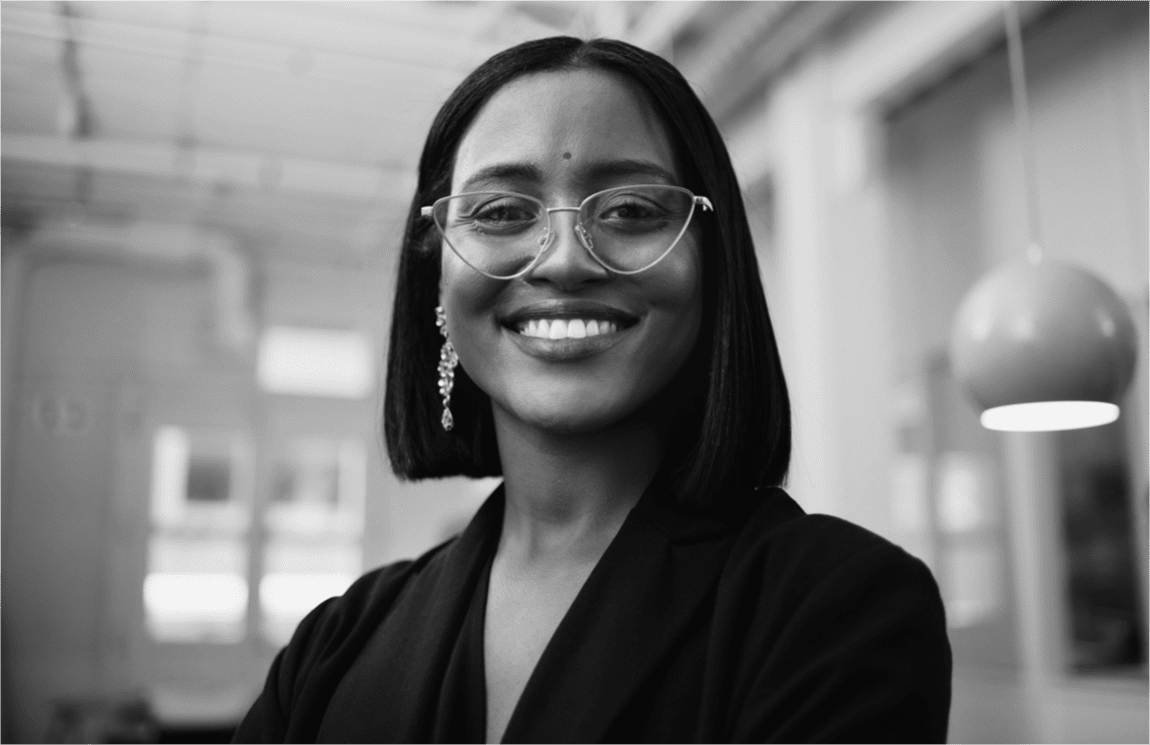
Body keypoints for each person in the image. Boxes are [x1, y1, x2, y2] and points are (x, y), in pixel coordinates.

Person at [233, 36, 951, 744]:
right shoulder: (336, 642)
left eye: (633, 211)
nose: (566, 259)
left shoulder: (837, 607)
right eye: (501, 212)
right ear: (437, 277)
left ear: (712, 264)